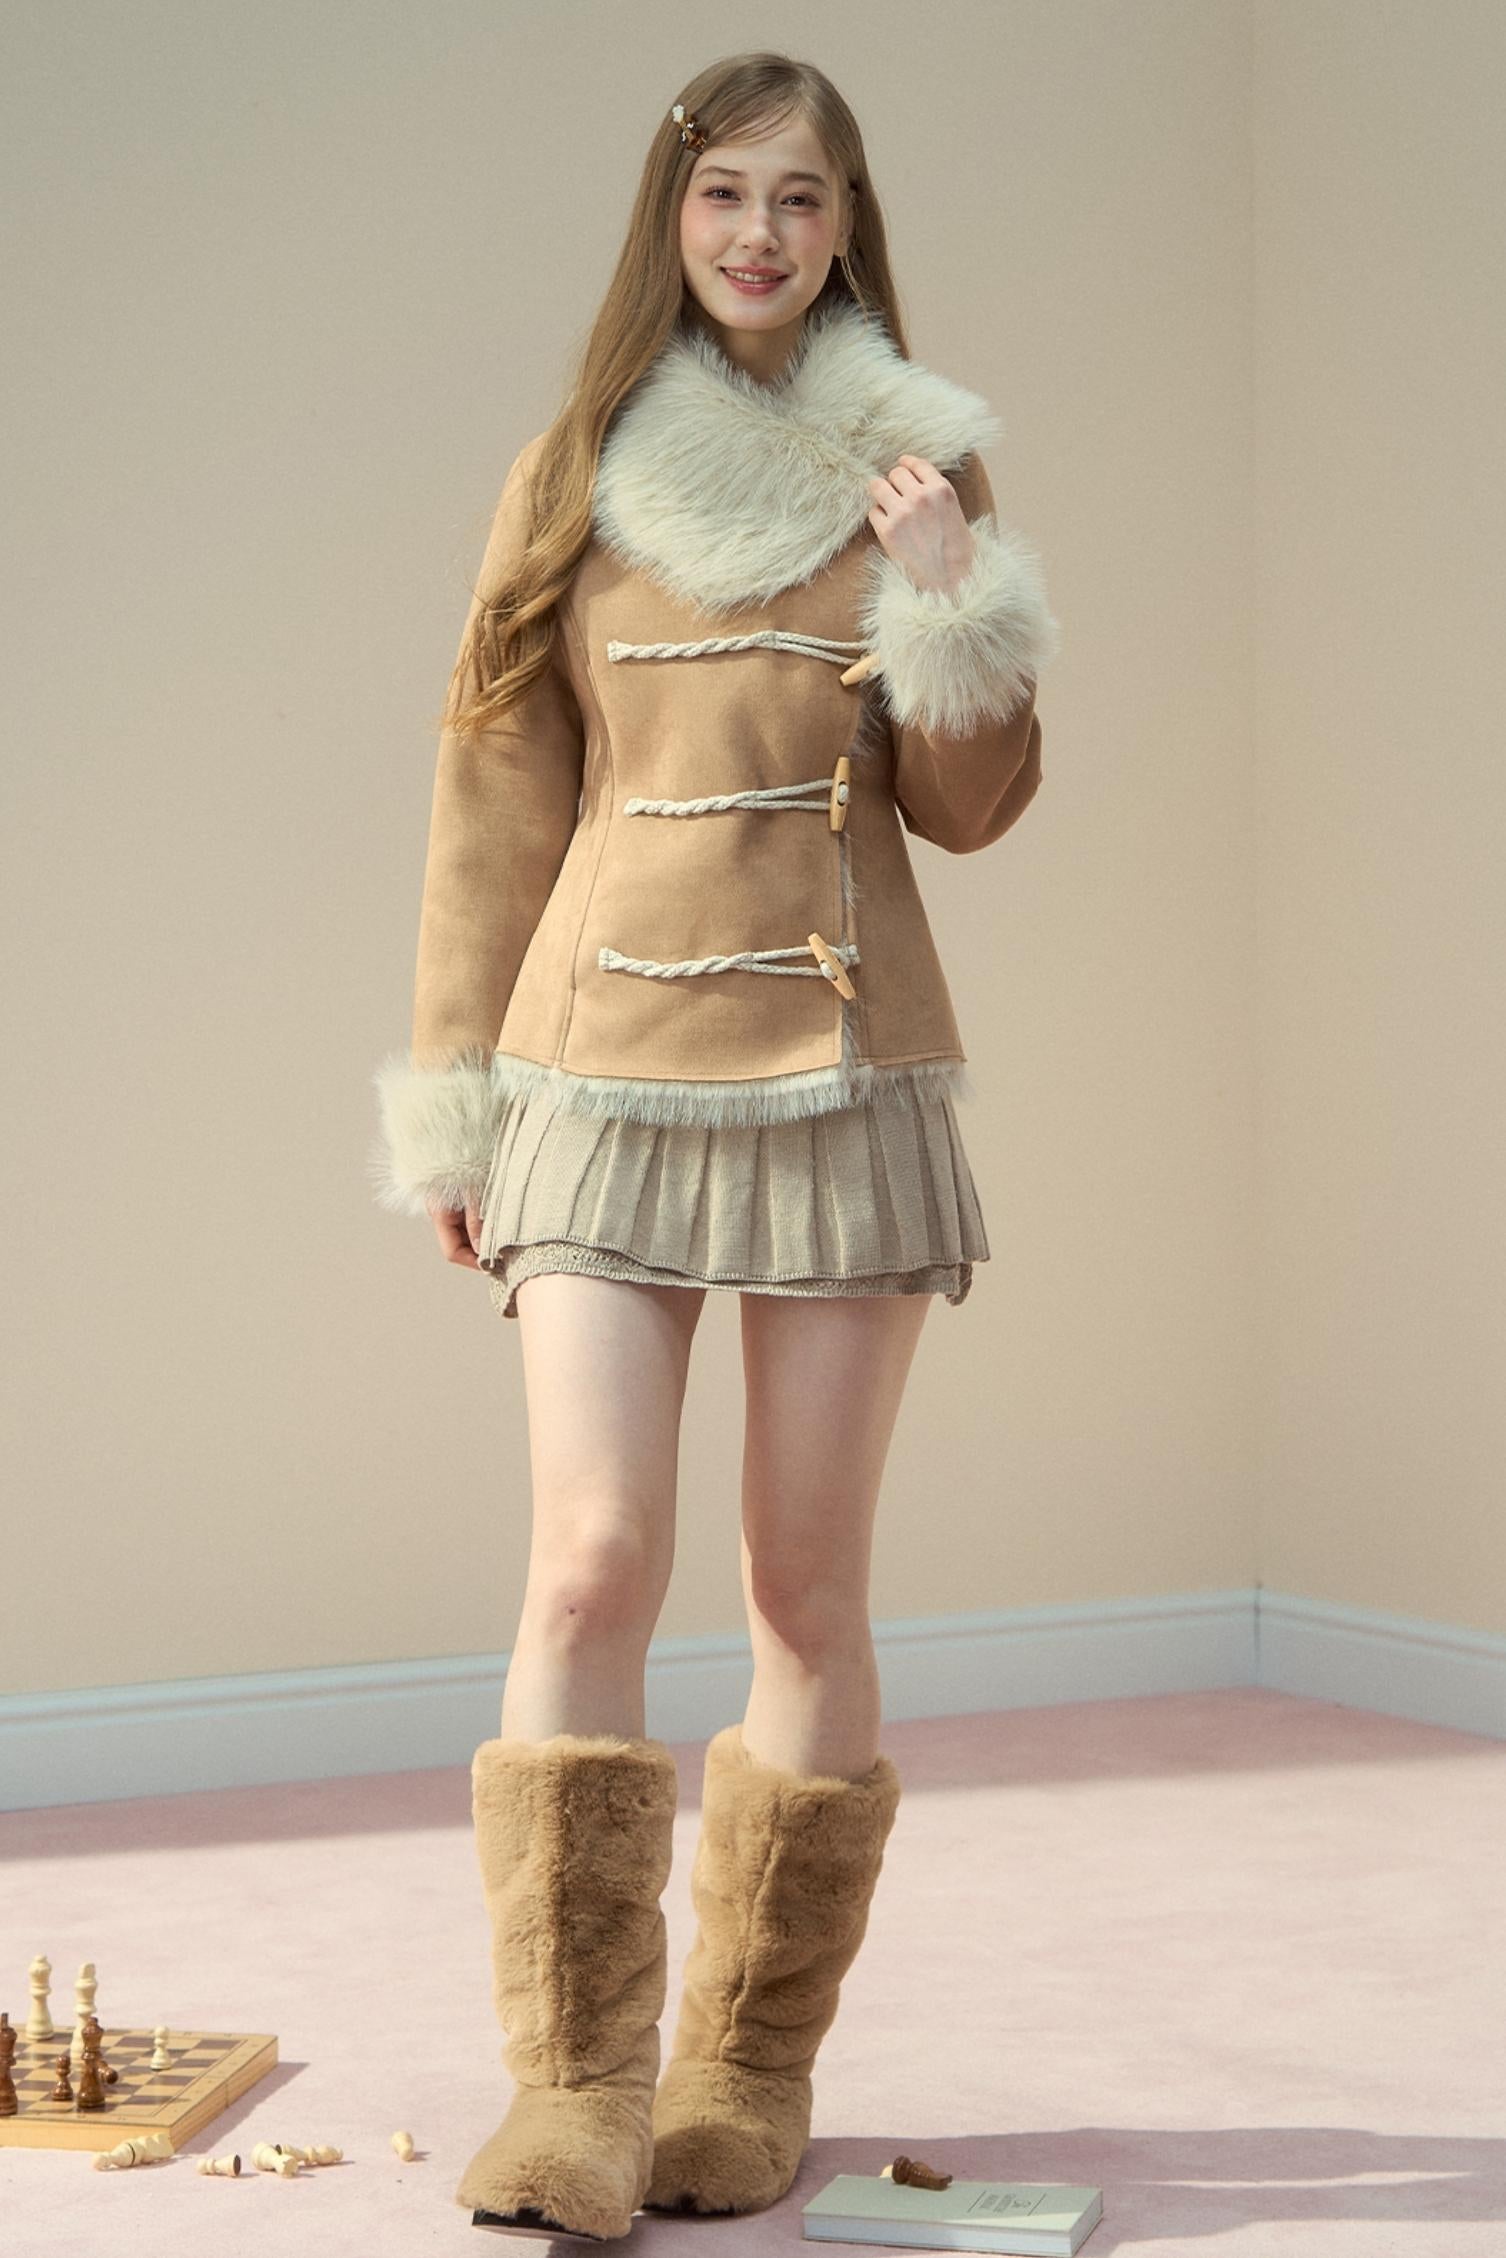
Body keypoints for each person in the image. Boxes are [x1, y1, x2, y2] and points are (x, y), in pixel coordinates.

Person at [369, 52, 1059, 2242]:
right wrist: (455, 1088)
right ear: (670, 219)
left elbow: (972, 809)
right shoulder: (570, 467)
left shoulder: (919, 461)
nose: (760, 235)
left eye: (801, 198)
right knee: (590, 1556)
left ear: (849, 227)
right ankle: (574, 2090)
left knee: (801, 1583)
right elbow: (494, 790)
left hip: (843, 1068)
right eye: (724, 195)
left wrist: (947, 589)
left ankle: (744, 2069)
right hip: (595, 1062)